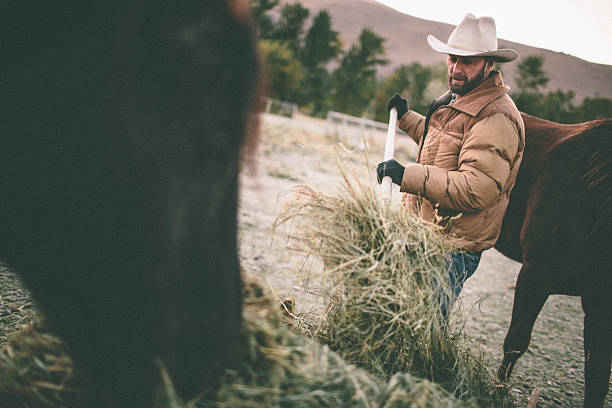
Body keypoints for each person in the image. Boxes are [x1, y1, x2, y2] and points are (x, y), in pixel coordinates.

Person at [377, 13, 525, 319]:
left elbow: (476, 188)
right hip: (425, 232)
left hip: (451, 248)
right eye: (452, 59)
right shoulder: (458, 98)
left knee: (422, 325)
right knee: (397, 315)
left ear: (488, 64)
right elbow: (444, 144)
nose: (456, 68)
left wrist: (407, 176)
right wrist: (407, 118)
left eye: (467, 62)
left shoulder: (496, 117)